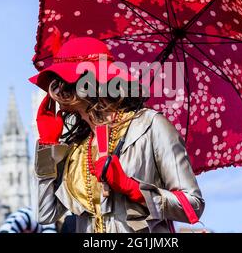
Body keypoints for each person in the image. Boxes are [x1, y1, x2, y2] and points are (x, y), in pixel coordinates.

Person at [29, 36, 205, 233]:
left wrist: (133, 188)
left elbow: (193, 206)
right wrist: (47, 146)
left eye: (61, 80)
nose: (55, 89)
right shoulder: (76, 147)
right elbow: (45, 214)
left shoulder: (150, 126)